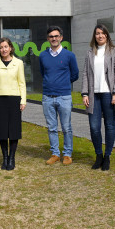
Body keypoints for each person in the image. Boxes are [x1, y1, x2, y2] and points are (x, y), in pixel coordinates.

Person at [81, 24, 115, 171]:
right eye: (97, 33)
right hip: (94, 95)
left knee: (109, 126)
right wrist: (85, 93)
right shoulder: (90, 53)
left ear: (107, 35)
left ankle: (107, 156)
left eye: (102, 33)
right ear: (94, 36)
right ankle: (98, 155)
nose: (100, 36)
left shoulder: (114, 51)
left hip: (109, 95)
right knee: (94, 127)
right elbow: (86, 74)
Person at [39, 25, 79, 165]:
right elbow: (43, 73)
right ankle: (55, 153)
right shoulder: (43, 55)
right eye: (51, 36)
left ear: (61, 38)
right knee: (51, 127)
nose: (54, 38)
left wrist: (62, 83)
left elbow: (75, 74)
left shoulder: (69, 55)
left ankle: (67, 154)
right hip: (48, 97)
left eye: (56, 36)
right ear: (48, 38)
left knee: (66, 127)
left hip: (64, 96)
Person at [0, 37, 26, 171]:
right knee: (2, 130)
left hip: (15, 99)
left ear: (10, 47)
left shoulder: (19, 63)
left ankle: (12, 158)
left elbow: (22, 83)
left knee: (14, 130)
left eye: (6, 46)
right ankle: (5, 158)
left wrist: (23, 100)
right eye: (1, 47)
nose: (3, 49)